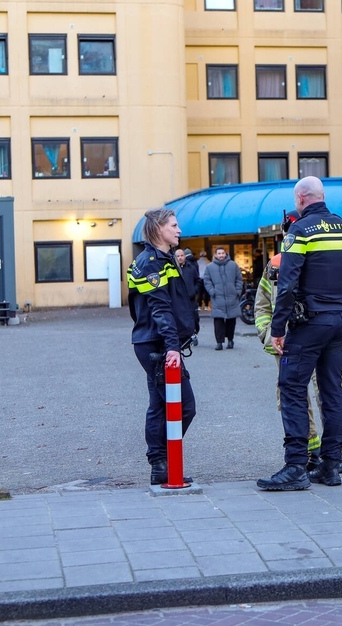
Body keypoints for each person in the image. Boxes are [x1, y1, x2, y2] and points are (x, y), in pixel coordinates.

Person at [258, 177, 342, 491]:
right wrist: (339, 311)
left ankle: (295, 467)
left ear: (300, 198)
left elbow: (287, 285)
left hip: (309, 325)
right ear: (321, 196)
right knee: (332, 392)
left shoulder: (300, 231)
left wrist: (277, 329)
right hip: (339, 321)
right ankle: (331, 467)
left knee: (291, 389)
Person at [128, 208, 197, 486]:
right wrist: (172, 347)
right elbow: (159, 309)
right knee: (185, 406)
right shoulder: (150, 263)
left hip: (157, 343)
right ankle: (165, 459)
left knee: (159, 405)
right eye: (174, 225)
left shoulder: (163, 259)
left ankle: (160, 465)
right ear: (159, 229)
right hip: (157, 344)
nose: (179, 230)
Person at [203, 246, 242, 350]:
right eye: (219, 253)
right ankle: (219, 342)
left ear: (226, 254)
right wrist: (212, 291)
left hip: (232, 297)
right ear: (215, 255)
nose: (221, 255)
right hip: (217, 297)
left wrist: (237, 291)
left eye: (222, 253)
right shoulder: (210, 267)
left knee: (231, 320)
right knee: (218, 321)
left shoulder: (233, 265)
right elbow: (207, 280)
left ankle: (230, 340)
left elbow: (239, 279)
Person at [176, 248, 201, 346]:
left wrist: (194, 291)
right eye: (178, 256)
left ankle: (194, 334)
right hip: (178, 300)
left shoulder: (191, 268)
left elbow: (198, 281)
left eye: (181, 255)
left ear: (185, 256)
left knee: (194, 318)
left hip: (190, 299)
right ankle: (184, 338)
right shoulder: (172, 269)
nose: (180, 258)